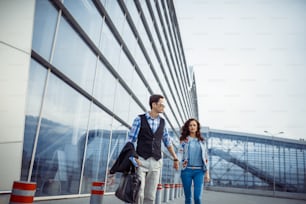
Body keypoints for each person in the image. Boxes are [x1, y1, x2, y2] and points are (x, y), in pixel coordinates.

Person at [127, 94, 179, 204]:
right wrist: (132, 156)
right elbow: (131, 140)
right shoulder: (139, 119)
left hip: (156, 162)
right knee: (139, 193)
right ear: (154, 104)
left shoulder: (163, 122)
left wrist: (175, 158)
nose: (163, 107)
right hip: (141, 160)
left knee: (150, 196)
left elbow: (167, 141)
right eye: (161, 105)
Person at [177, 118, 210, 204]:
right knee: (188, 198)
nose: (192, 127)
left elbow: (206, 157)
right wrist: (177, 161)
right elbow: (180, 153)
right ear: (188, 127)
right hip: (186, 170)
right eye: (190, 125)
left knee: (197, 197)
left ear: (197, 127)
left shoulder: (202, 141)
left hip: (199, 171)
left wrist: (207, 173)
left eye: (194, 125)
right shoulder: (184, 140)